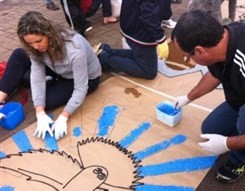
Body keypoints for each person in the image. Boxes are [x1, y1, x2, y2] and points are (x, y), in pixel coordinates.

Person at [172, 10, 245, 183]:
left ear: (200, 51)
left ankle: (243, 161)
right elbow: (215, 74)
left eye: (186, 56)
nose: (187, 60)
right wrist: (188, 97)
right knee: (210, 129)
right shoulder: (226, 35)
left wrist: (228, 144)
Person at [16, 11, 102, 140]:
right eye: (30, 43)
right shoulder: (35, 48)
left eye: (39, 41)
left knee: (48, 101)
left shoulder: (75, 50)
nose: (35, 46)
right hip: (60, 71)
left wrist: (63, 117)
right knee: (40, 99)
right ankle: (51, 81)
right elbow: (37, 75)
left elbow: (81, 88)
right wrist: (39, 112)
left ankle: (51, 82)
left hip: (87, 79)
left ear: (49, 34)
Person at [97, 0, 169, 80]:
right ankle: (105, 59)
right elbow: (148, 13)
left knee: (141, 55)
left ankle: (106, 52)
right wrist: (160, 38)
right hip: (140, 30)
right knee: (149, 71)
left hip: (133, 22)